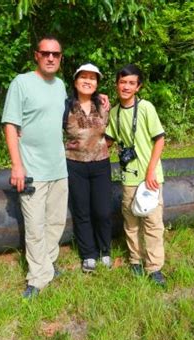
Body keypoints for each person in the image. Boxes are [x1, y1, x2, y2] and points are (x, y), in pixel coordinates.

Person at [1, 35, 68, 299]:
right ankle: (37, 278)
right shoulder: (22, 83)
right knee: (35, 225)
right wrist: (17, 165)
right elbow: (10, 125)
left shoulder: (61, 85)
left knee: (55, 222)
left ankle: (48, 265)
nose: (51, 58)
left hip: (58, 168)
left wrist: (101, 100)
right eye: (46, 53)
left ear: (61, 58)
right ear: (36, 56)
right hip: (32, 170)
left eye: (56, 54)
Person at [105, 64, 167, 286]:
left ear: (138, 87)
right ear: (116, 85)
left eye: (132, 83)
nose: (126, 87)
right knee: (131, 222)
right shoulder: (114, 112)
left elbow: (159, 139)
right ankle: (135, 261)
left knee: (152, 223)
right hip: (128, 178)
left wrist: (151, 171)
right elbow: (108, 141)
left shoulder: (146, 108)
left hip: (149, 177)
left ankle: (154, 268)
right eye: (123, 82)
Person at [64, 63, 112, 273]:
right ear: (75, 82)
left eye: (92, 78)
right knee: (82, 211)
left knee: (102, 210)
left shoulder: (102, 104)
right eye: (83, 77)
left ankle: (105, 250)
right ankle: (88, 255)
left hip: (101, 163)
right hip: (74, 164)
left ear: (97, 83)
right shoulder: (65, 106)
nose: (87, 81)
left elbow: (111, 131)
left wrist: (100, 147)